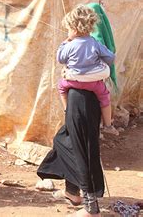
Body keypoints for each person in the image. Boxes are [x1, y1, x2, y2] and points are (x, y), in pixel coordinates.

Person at [37, 88, 104, 217]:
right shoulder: (77, 73)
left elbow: (104, 95)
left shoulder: (92, 74)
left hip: (82, 105)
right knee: (65, 143)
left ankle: (92, 209)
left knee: (82, 155)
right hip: (76, 105)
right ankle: (72, 191)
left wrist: (107, 123)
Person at [57, 5, 117, 135]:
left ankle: (67, 110)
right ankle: (108, 125)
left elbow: (60, 59)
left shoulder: (69, 45)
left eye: (68, 29)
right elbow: (110, 57)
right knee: (105, 97)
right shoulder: (94, 43)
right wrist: (102, 62)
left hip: (72, 82)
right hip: (93, 84)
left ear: (73, 29)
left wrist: (64, 43)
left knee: (61, 88)